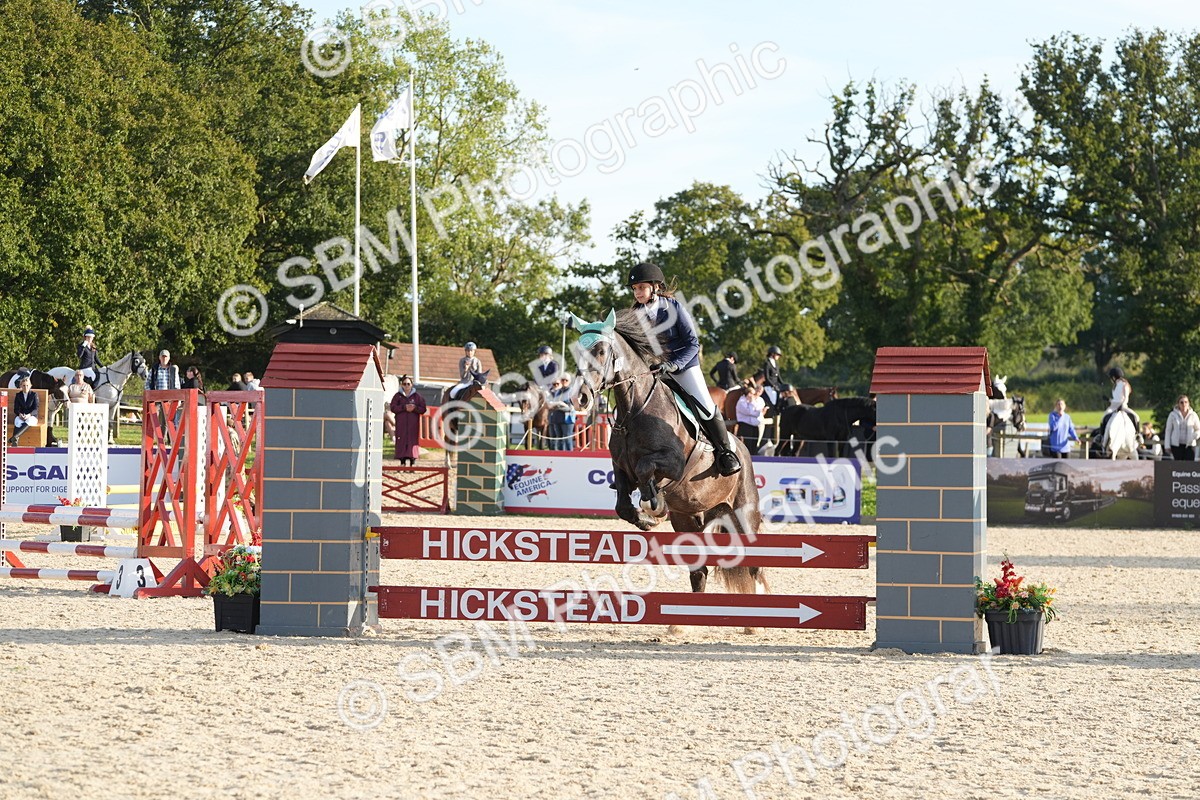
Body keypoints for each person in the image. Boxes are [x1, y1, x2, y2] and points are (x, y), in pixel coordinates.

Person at [628, 261, 741, 475]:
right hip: (657, 371)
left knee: (706, 405)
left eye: (641, 287)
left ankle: (726, 452)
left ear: (655, 287)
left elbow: (692, 343)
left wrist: (675, 364)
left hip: (684, 367)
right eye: (635, 289)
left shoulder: (673, 307)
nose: (637, 293)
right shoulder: (635, 314)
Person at [389, 375, 426, 465]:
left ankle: (412, 463)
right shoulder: (397, 396)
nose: (406, 386)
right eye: (404, 384)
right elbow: (393, 407)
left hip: (413, 424)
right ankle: (402, 462)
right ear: (402, 385)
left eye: (408, 384)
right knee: (401, 441)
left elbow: (423, 409)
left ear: (411, 385)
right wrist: (404, 407)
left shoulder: (417, 397)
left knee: (412, 441)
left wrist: (414, 408)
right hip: (401, 424)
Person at [1096, 366, 1139, 443]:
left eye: (1111, 377)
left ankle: (1137, 435)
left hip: (1123, 406)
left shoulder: (1124, 384)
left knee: (1136, 416)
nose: (1110, 379)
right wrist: (1108, 399)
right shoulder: (1115, 386)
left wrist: (1121, 405)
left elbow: (1125, 398)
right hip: (1113, 407)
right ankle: (1101, 435)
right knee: (1103, 417)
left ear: (1114, 377)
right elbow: (1116, 399)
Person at [735, 380, 766, 456]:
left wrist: (758, 411)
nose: (753, 396)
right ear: (748, 394)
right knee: (747, 446)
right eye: (752, 394)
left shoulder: (755, 401)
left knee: (754, 446)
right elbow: (751, 412)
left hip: (754, 426)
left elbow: (758, 410)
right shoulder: (742, 402)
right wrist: (758, 412)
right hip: (746, 426)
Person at [1164, 395, 1200, 461]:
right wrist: (1167, 446)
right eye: (1181, 402)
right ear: (1178, 404)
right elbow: (1168, 431)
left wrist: (1195, 435)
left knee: (1189, 466)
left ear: (1188, 403)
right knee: (1177, 466)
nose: (1184, 404)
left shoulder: (1193, 415)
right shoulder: (1172, 415)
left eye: (1186, 402)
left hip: (1190, 445)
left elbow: (1198, 429)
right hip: (1176, 445)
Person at [548, 376, 576, 451]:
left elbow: (571, 407)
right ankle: (561, 456)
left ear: (569, 381)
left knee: (567, 439)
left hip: (567, 419)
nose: (564, 382)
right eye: (562, 380)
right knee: (559, 439)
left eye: (566, 380)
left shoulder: (571, 391)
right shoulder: (558, 391)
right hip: (557, 418)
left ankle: (570, 456)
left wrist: (559, 405)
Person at [10, 377, 39, 446]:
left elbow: (36, 409)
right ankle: (15, 441)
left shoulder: (34, 395)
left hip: (31, 416)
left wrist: (29, 415)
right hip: (21, 416)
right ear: (21, 386)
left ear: (30, 386)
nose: (25, 387)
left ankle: (14, 437)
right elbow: (16, 409)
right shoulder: (18, 395)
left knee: (29, 421)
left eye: (27, 385)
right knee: (17, 421)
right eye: (23, 385)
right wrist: (19, 414)